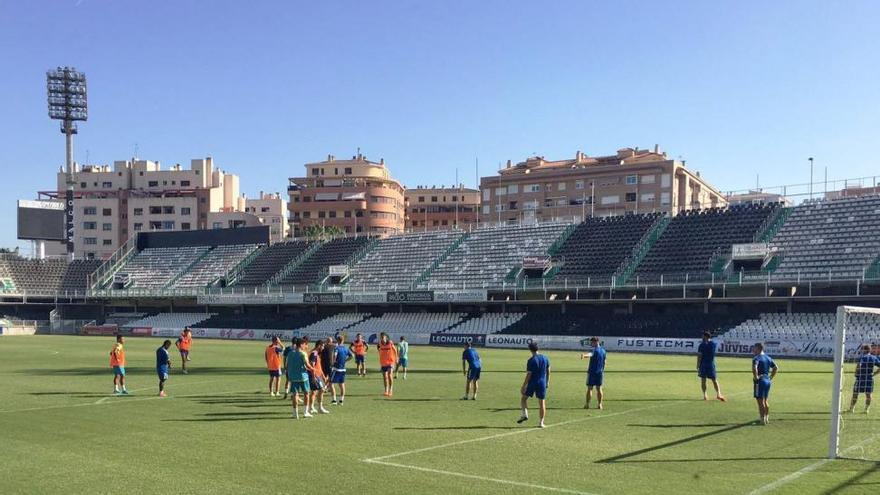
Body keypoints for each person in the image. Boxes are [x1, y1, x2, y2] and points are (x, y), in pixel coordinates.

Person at [518, 342, 550, 428]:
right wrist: (547, 381)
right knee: (542, 402)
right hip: (542, 382)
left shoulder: (531, 360)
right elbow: (548, 370)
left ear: (530, 350)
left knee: (523, 399)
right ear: (538, 348)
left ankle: (525, 414)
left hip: (532, 382)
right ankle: (541, 422)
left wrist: (524, 385)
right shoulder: (545, 358)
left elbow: (529, 375)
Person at [752, 343, 778, 425]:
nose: (753, 350)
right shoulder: (768, 357)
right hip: (767, 381)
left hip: (760, 381)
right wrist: (770, 377)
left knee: (760, 401)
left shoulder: (756, 358)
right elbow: (776, 367)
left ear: (759, 348)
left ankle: (762, 419)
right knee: (765, 400)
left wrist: (756, 377)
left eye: (754, 348)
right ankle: (766, 417)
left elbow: (754, 368)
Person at [849, 344, 880, 414]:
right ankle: (866, 410)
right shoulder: (874, 357)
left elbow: (859, 365)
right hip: (869, 378)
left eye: (862, 349)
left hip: (861, 378)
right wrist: (874, 374)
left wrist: (856, 372)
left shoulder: (863, 357)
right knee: (868, 394)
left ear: (865, 350)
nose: (861, 351)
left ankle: (852, 409)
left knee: (855, 393)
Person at [287, 337, 313, 419]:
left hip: (293, 377)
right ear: (301, 345)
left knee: (295, 395)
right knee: (306, 393)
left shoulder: (290, 353)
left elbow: (287, 365)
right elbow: (307, 364)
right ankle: (305, 412)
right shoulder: (303, 353)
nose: (305, 346)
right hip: (303, 376)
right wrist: (313, 369)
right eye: (304, 344)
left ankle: (295, 413)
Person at [697, 332, 726, 401]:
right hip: (709, 364)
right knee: (712, 380)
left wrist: (698, 364)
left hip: (705, 364)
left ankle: (708, 395)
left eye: (703, 336)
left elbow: (699, 356)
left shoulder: (703, 345)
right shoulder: (712, 344)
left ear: (706, 337)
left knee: (706, 380)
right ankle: (715, 394)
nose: (702, 338)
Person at [580, 337, 605, 410]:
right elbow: (605, 361)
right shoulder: (603, 351)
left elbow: (590, 354)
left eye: (592, 342)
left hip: (592, 372)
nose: (591, 344)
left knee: (590, 388)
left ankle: (587, 404)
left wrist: (584, 356)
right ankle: (600, 404)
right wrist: (602, 369)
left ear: (595, 342)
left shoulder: (595, 350)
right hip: (600, 372)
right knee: (599, 389)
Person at [308, 340, 330, 415]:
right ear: (319, 346)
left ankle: (311, 407)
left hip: (317, 375)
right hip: (314, 375)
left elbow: (318, 366)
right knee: (321, 390)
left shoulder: (316, 353)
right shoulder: (314, 353)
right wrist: (313, 376)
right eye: (322, 346)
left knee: (314, 391)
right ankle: (319, 408)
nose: (323, 348)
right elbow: (312, 365)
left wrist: (323, 376)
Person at [330, 335, 351, 405]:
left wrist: (333, 362)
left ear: (337, 340)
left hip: (336, 369)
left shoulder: (337, 348)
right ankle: (341, 400)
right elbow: (352, 356)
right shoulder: (346, 348)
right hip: (343, 369)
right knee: (342, 385)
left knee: (331, 384)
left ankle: (334, 400)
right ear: (343, 340)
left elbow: (335, 355)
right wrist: (345, 360)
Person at [378, 333, 399, 397]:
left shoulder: (390, 342)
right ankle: (386, 390)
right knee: (385, 377)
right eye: (381, 337)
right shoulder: (379, 344)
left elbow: (395, 350)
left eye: (384, 337)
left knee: (390, 375)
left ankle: (390, 390)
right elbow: (379, 351)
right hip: (383, 362)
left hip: (390, 361)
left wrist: (396, 358)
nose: (383, 338)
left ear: (386, 337)